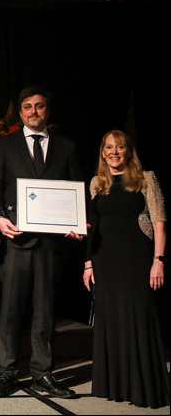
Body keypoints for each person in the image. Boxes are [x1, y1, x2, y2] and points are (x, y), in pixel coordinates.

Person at [0, 87, 83, 399]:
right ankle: (6, 374)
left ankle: (43, 374)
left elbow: (76, 189)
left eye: (39, 106)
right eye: (28, 107)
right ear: (20, 113)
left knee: (45, 312)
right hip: (16, 241)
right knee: (11, 311)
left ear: (47, 111)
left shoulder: (66, 146)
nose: (34, 112)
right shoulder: (6, 144)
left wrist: (77, 222)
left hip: (51, 244)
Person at [84, 130, 169, 408]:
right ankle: (116, 386)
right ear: (103, 152)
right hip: (104, 261)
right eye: (109, 147)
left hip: (137, 259)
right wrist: (88, 263)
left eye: (120, 147)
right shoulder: (97, 183)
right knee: (111, 318)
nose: (114, 152)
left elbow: (159, 223)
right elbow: (92, 226)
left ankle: (143, 387)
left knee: (138, 316)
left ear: (128, 151)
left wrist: (158, 261)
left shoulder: (146, 179)